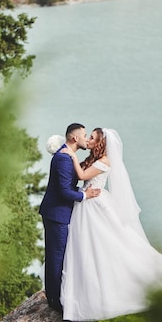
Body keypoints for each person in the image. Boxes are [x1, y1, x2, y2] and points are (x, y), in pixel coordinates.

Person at [60, 127, 162, 321]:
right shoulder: (94, 159)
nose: (88, 139)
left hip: (94, 204)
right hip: (87, 203)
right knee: (88, 246)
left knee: (107, 243)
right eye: (88, 136)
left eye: (92, 138)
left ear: (100, 143)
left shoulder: (105, 161)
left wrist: (70, 155)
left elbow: (81, 176)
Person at [39, 123, 100, 312]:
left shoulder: (66, 155)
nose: (86, 138)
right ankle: (55, 301)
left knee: (57, 255)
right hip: (57, 214)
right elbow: (64, 191)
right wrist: (84, 195)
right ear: (74, 138)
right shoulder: (64, 159)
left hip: (56, 212)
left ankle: (55, 296)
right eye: (83, 135)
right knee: (57, 256)